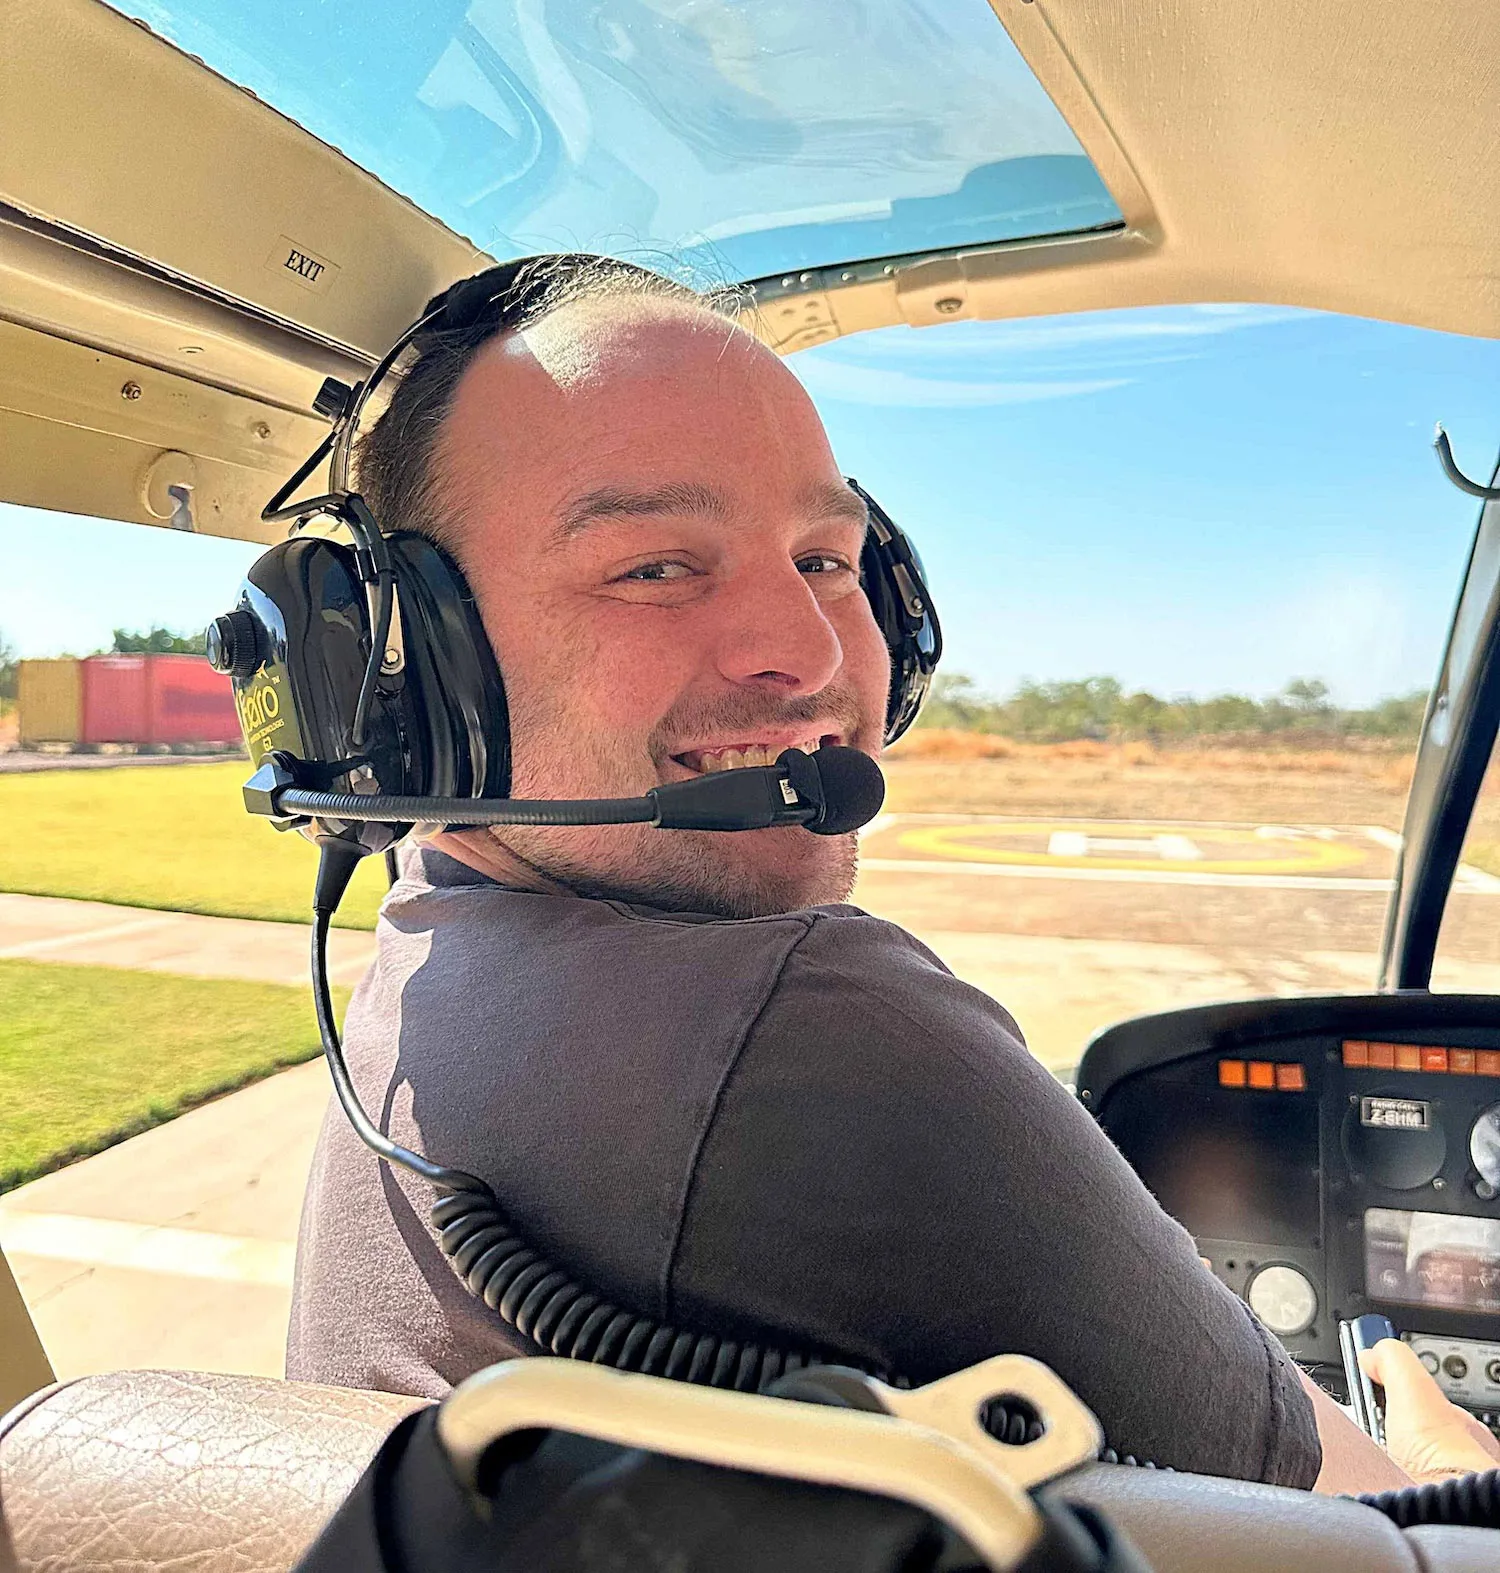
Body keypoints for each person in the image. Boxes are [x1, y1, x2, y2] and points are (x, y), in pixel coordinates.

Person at [286, 258, 1496, 1495]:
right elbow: (1368, 1520)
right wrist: (1447, 1455)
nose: (808, 652)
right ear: (399, 671)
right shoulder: (811, 1023)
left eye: (825, 559)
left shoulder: (433, 939)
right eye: (654, 565)